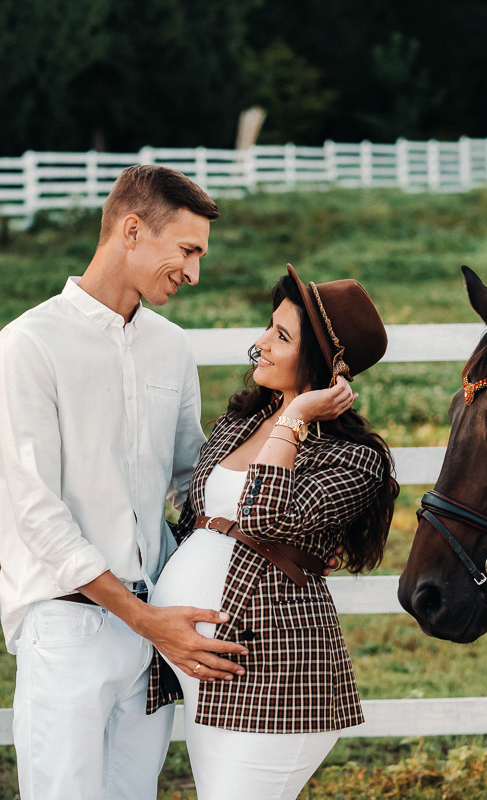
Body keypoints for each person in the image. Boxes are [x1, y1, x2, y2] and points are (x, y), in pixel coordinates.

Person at [0, 164, 249, 800]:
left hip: (154, 627)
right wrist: (144, 619)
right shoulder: (31, 344)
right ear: (132, 230)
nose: (194, 273)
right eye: (186, 251)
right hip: (67, 625)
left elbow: (193, 485)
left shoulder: (172, 349)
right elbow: (37, 512)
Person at [147, 263, 400, 799]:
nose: (260, 343)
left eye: (281, 336)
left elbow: (264, 519)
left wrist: (295, 417)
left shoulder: (354, 460)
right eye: (268, 326)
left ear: (323, 366)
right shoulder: (240, 421)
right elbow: (198, 518)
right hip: (205, 672)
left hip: (276, 676)